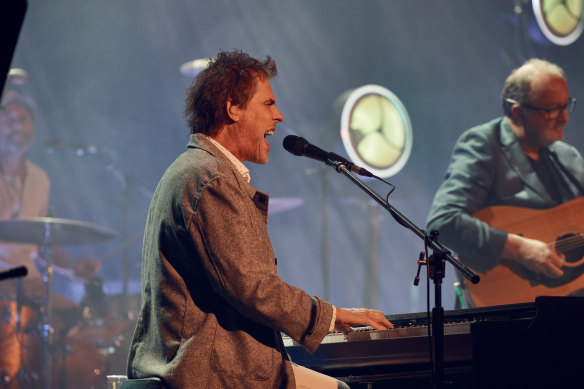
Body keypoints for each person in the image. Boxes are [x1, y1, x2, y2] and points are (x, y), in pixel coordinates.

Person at [125, 50, 392, 389]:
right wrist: (332, 315)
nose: (279, 116)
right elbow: (251, 287)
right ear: (232, 107)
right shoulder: (210, 178)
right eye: (268, 104)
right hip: (207, 372)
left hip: (212, 364)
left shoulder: (197, 170)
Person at [426, 58, 584, 306]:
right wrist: (520, 249)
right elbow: (442, 222)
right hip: (508, 316)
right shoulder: (485, 146)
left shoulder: (569, 157)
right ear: (518, 113)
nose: (564, 118)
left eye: (567, 106)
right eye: (552, 109)